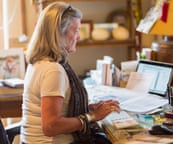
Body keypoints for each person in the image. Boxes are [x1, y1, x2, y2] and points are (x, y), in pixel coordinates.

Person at [21, 2, 120, 144]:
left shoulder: (38, 62)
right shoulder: (53, 70)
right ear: (59, 33)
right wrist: (91, 116)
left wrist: (89, 108)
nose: (78, 37)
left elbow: (57, 110)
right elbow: (50, 127)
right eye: (76, 30)